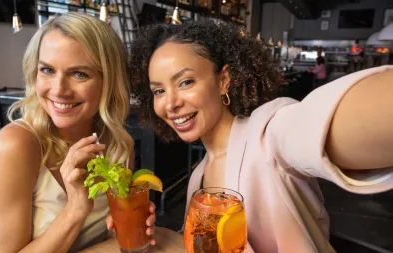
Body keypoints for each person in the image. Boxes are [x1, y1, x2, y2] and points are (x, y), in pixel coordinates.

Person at [129, 20, 393, 253]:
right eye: (158, 91)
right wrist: (158, 234)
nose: (170, 103)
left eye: (186, 82)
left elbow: (310, 126)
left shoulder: (268, 137)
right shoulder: (198, 177)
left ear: (223, 81)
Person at [0, 13, 155, 253]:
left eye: (79, 74)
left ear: (109, 81)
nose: (59, 90)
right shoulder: (14, 146)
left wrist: (130, 221)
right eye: (47, 70)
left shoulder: (118, 145)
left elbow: (110, 237)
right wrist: (76, 209)